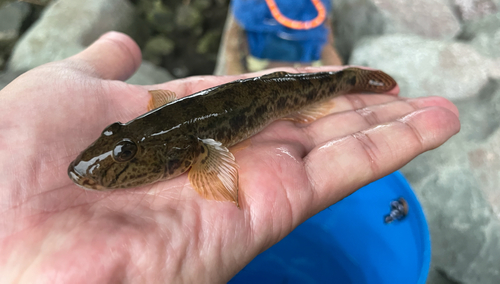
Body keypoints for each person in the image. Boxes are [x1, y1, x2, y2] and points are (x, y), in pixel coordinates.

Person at [0, 32, 460, 283]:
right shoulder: (169, 142)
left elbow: (213, 167)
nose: (104, 160)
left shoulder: (193, 150)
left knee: (326, 87)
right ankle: (349, 78)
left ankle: (350, 79)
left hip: (277, 90)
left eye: (122, 150)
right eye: (119, 143)